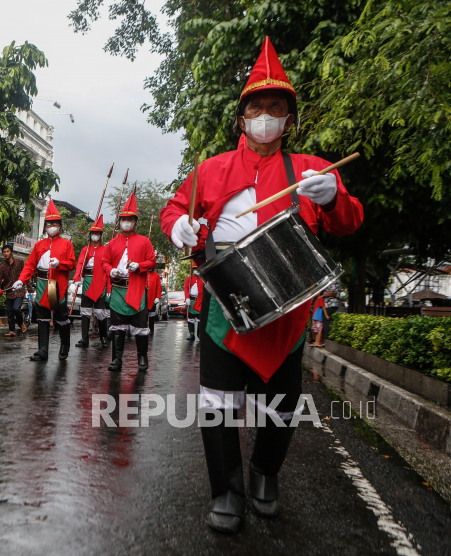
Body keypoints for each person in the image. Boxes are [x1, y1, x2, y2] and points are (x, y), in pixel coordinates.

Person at [159, 37, 363, 533]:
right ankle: (225, 490)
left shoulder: (311, 169)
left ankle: (265, 472)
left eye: (276, 108)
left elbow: (348, 223)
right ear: (242, 117)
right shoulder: (209, 170)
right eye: (257, 107)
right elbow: (173, 208)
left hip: (287, 308)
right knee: (217, 404)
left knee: (281, 406)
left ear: (288, 121)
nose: (266, 116)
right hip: (224, 306)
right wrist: (177, 227)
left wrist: (335, 196)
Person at [13, 200, 75, 361]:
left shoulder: (66, 244)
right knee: (42, 316)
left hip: (56, 285)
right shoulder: (40, 245)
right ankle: (43, 350)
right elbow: (30, 265)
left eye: (54, 224)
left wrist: (60, 264)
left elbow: (72, 263)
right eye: (48, 224)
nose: (51, 227)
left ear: (60, 226)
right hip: (41, 283)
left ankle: (65, 345)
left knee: (60, 317)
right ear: (45, 227)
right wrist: (21, 280)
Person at [101, 192, 155, 372]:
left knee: (140, 326)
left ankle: (142, 357)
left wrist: (139, 266)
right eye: (123, 219)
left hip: (137, 289)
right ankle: (116, 359)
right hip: (117, 290)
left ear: (135, 222)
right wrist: (111, 270)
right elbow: (104, 262)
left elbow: (152, 262)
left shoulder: (144, 241)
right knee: (117, 327)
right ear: (119, 222)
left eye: (130, 219)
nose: (126, 222)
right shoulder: (112, 243)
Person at [73, 215, 110, 348]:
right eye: (93, 233)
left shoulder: (106, 250)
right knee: (85, 310)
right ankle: (84, 338)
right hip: (88, 281)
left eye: (97, 233)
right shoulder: (85, 249)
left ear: (100, 235)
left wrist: (109, 287)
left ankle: (104, 337)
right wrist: (77, 277)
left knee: (101, 312)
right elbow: (80, 263)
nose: (95, 235)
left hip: (101, 281)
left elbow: (108, 268)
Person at [0, 244, 27, 337]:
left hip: (19, 291)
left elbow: (25, 275)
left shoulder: (20, 262)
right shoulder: (2, 266)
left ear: (11, 252)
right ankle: (12, 330)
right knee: (10, 312)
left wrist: (29, 288)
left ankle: (21, 323)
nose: (6, 253)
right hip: (9, 291)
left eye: (8, 251)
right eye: (4, 252)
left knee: (16, 308)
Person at [183, 262, 204, 341]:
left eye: (197, 269)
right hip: (191, 300)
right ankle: (191, 334)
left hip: (200, 300)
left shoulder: (203, 279)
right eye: (195, 269)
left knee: (200, 318)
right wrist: (187, 298)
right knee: (191, 318)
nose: (196, 271)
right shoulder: (189, 278)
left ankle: (199, 334)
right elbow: (186, 288)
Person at [147, 263, 162, 338]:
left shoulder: (156, 275)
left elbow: (158, 286)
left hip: (152, 298)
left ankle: (151, 330)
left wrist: (158, 297)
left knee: (151, 316)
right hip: (144, 298)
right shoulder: (143, 274)